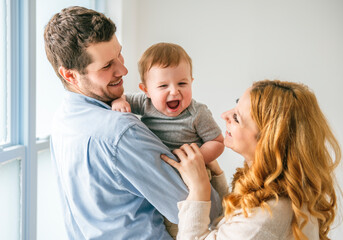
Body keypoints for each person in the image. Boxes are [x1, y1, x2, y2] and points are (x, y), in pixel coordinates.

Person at [44, 6, 222, 240]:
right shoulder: (121, 131)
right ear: (70, 75)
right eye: (107, 66)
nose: (123, 69)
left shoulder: (62, 120)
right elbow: (206, 213)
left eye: (119, 54)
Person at [162, 80, 342, 240]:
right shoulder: (283, 192)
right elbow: (234, 227)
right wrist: (216, 177)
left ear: (266, 142)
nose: (225, 115)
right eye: (235, 104)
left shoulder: (267, 216)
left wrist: (198, 190)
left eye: (236, 118)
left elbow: (249, 226)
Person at [111, 42, 225, 238]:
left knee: (187, 223)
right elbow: (121, 97)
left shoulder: (197, 113)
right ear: (146, 89)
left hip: (193, 174)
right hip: (162, 177)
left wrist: (196, 160)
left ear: (191, 81)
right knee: (161, 218)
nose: (174, 91)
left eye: (182, 83)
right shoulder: (145, 103)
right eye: (163, 86)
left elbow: (218, 141)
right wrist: (119, 101)